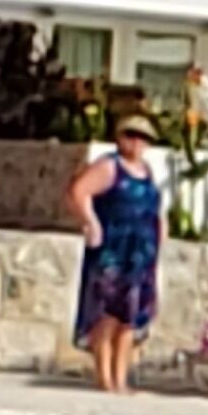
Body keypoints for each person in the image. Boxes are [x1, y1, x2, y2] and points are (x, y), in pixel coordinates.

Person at [67, 113, 162, 395]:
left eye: (142, 138)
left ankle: (121, 379)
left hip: (140, 253)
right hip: (113, 250)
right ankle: (105, 378)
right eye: (130, 135)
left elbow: (155, 210)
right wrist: (90, 222)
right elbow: (78, 192)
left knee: (129, 319)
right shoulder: (109, 167)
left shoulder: (146, 171)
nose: (135, 142)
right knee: (106, 315)